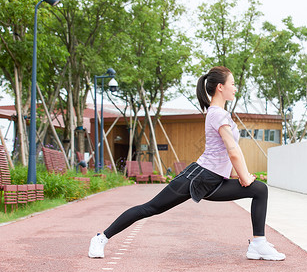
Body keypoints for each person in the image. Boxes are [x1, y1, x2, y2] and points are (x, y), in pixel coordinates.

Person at [89, 66, 285, 261]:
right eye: (232, 84)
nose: (235, 88)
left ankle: (258, 244)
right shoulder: (217, 114)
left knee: (260, 190)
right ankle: (101, 238)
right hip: (199, 178)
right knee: (150, 208)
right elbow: (233, 151)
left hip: (215, 181)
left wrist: (240, 175)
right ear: (220, 87)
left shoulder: (221, 114)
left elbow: (231, 151)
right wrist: (244, 176)